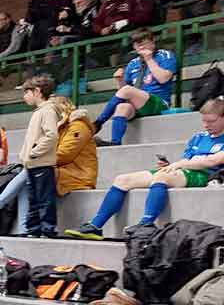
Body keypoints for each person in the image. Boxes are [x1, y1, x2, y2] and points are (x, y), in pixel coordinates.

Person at [67, 98, 224, 239]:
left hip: (206, 175)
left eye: (211, 121)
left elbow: (213, 161)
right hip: (184, 171)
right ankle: (95, 225)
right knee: (122, 179)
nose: (206, 125)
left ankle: (146, 223)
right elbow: (187, 160)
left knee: (162, 177)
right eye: (204, 121)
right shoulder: (199, 137)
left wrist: (180, 165)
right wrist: (171, 165)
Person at [0, 96, 97, 225]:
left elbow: (66, 155)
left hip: (78, 175)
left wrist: (37, 158)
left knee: (31, 171)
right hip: (61, 170)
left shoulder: (78, 127)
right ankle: (23, 228)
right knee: (30, 174)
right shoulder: (62, 126)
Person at [92, 28, 176, 147]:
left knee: (127, 91)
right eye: (137, 43)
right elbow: (124, 91)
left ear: (153, 42)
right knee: (122, 107)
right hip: (138, 104)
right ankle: (115, 142)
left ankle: (99, 122)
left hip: (159, 102)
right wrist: (120, 80)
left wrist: (149, 59)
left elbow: (164, 78)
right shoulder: (133, 63)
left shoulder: (164, 55)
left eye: (144, 42)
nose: (141, 46)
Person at [16, 75, 61, 238]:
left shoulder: (47, 111)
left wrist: (34, 152)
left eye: (26, 92)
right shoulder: (40, 112)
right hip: (33, 164)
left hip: (41, 163)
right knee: (34, 200)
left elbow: (51, 136)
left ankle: (47, 229)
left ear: (37, 91)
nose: (24, 97)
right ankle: (34, 229)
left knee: (44, 199)